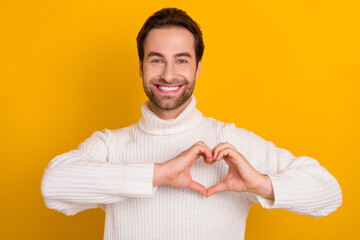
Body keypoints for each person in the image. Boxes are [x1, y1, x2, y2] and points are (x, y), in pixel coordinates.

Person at [41, 7, 342, 240]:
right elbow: (54, 185)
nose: (169, 75)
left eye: (182, 60)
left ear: (198, 68)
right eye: (156, 60)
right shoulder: (112, 144)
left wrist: (260, 184)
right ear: (141, 66)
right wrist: (158, 175)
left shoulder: (229, 143)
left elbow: (329, 193)